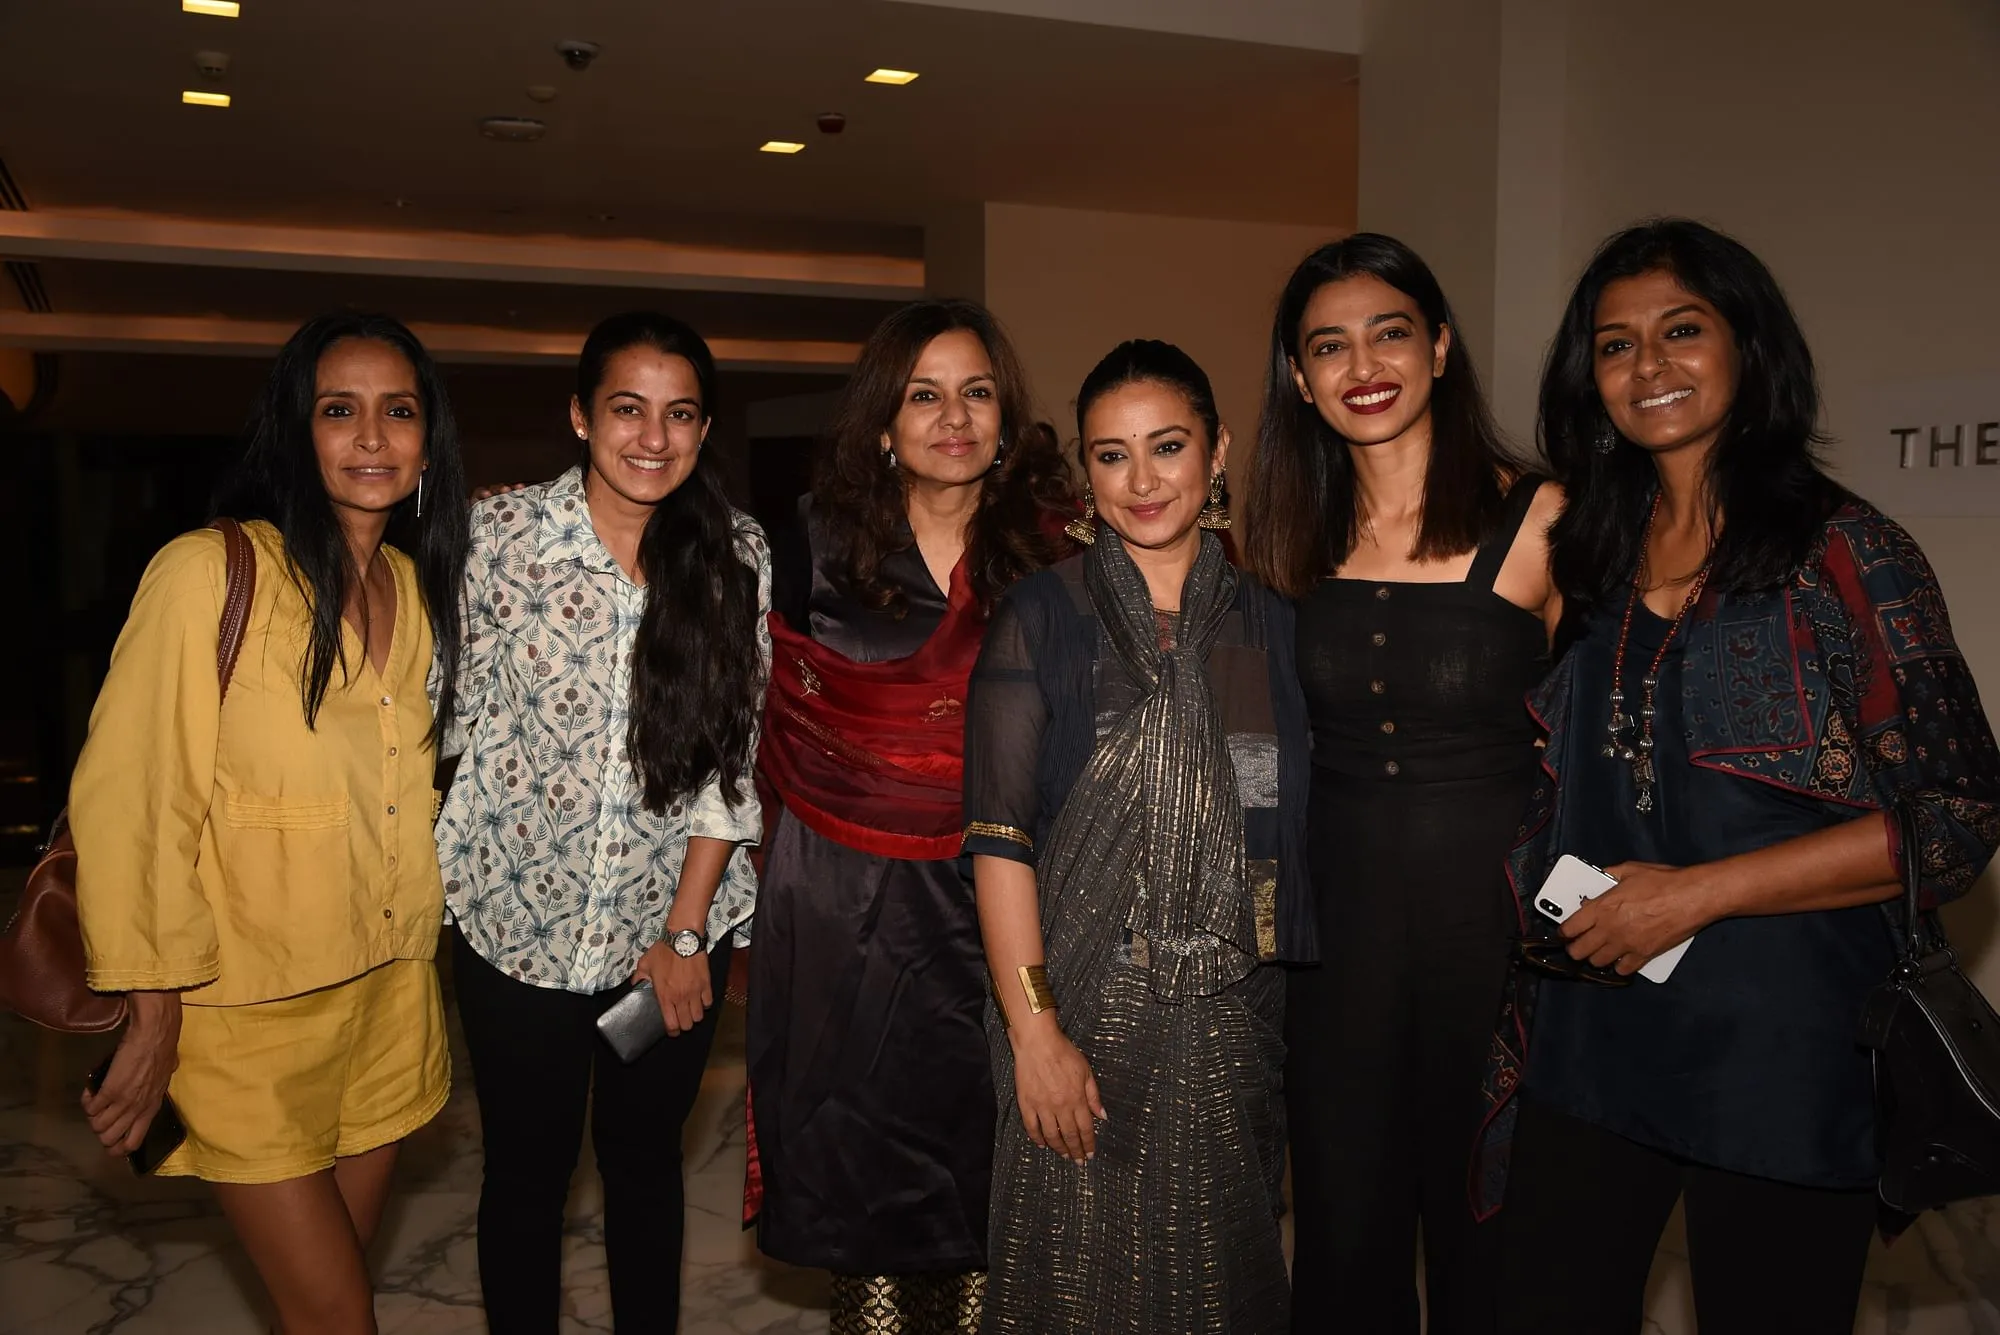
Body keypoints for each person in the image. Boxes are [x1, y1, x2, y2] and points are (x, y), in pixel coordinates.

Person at [1481, 219, 2000, 1334]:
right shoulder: (1591, 560)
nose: (1647, 366)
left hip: (1780, 1046)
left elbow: (1951, 822)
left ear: (1747, 347)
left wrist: (1692, 893)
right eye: (1613, 346)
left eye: (1680, 331)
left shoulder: (1843, 553)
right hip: (1591, 1030)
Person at [71, 312, 469, 1333]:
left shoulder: (414, 590)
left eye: (398, 412)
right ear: (293, 431)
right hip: (241, 1016)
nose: (372, 439)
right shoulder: (209, 573)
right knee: (339, 1316)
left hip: (388, 1004)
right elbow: (132, 794)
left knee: (319, 1311)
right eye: (339, 411)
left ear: (429, 442)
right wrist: (151, 1009)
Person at [1240, 234, 1561, 1334]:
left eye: (1386, 332)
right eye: (1326, 345)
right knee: (1341, 1225)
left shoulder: (1544, 518)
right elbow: (1252, 756)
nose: (1360, 364)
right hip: (1335, 945)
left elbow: (1608, 752)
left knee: (1497, 1229)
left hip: (1503, 943)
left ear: (1436, 344)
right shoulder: (1280, 538)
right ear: (1297, 375)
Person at [967, 339, 1317, 1334]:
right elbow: (998, 842)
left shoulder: (1265, 622)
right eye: (1109, 455)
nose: (1141, 480)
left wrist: (1240, 983)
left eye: (1166, 447)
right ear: (1084, 471)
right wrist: (1035, 1034)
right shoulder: (1044, 617)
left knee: (1221, 1284)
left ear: (1217, 454)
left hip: (1226, 1023)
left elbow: (1259, 817)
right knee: (1066, 1288)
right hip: (1071, 1016)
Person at [435, 312, 771, 1335]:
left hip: (660, 937)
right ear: (581, 416)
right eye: (628, 409)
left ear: (703, 429)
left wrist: (681, 933)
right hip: (509, 929)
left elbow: (732, 758)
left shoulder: (731, 553)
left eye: (678, 416)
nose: (652, 439)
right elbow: (443, 722)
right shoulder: (500, 539)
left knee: (642, 1170)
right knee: (524, 1177)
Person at [747, 298, 1072, 1333]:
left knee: (994, 1204)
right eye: (922, 394)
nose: (952, 416)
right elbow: (729, 705)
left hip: (1013, 916)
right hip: (849, 926)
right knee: (870, 1215)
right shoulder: (805, 550)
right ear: (882, 422)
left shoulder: (1054, 554)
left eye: (975, 392)